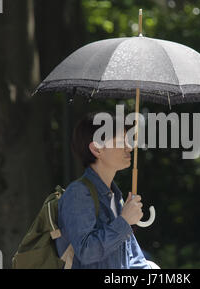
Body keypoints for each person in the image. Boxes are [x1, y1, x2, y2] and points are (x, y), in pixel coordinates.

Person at [55, 112, 159, 269]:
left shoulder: (116, 198)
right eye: (120, 142)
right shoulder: (78, 194)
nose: (129, 147)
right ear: (97, 149)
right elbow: (86, 252)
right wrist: (124, 222)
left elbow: (132, 259)